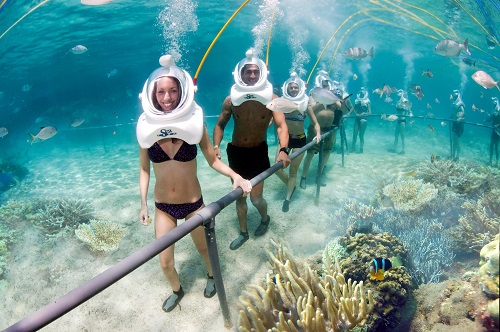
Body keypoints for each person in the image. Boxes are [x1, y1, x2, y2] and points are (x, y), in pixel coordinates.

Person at [136, 55, 252, 312]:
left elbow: (212, 160)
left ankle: (212, 276)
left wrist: (235, 176)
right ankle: (177, 290)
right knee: (165, 263)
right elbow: (145, 169)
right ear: (152, 95)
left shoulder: (195, 124)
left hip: (192, 205)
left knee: (204, 250)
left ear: (182, 91)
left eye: (173, 91)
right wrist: (143, 203)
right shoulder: (145, 128)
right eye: (161, 92)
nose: (167, 98)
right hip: (163, 207)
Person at [213, 49, 291, 250]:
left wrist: (284, 150)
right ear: (240, 74)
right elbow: (220, 124)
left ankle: (265, 219)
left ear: (262, 73)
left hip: (258, 152)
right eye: (248, 72)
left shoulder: (271, 98)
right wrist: (216, 146)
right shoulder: (231, 100)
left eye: (256, 72)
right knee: (240, 196)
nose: (252, 75)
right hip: (237, 152)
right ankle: (243, 232)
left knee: (256, 198)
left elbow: (281, 125)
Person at [274, 72, 321, 212]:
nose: (294, 89)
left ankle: (287, 198)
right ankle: (291, 184)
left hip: (300, 140)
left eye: (296, 87)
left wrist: (318, 133)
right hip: (285, 140)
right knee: (276, 168)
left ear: (299, 88)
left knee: (293, 171)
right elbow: (272, 119)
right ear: (287, 88)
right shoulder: (282, 103)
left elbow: (315, 123)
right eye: (291, 87)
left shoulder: (305, 104)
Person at [300, 72, 342, 189]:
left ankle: (320, 175)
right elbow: (311, 109)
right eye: (323, 85)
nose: (325, 87)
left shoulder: (332, 95)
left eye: (327, 85)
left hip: (329, 129)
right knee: (311, 152)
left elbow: (341, 108)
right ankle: (303, 177)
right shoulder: (313, 94)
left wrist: (338, 98)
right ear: (319, 85)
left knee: (327, 151)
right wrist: (323, 99)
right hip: (315, 129)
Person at [350, 87, 372, 153]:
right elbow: (353, 108)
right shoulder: (357, 101)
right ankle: (353, 148)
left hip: (364, 120)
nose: (361, 94)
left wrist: (364, 113)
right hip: (357, 119)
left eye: (362, 93)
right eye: (360, 93)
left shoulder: (367, 102)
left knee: (361, 135)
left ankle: (361, 149)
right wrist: (351, 114)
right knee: (354, 134)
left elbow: (370, 112)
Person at [391, 89, 412, 155]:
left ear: (402, 93)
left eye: (400, 92)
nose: (398, 93)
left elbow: (409, 109)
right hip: (398, 120)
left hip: (402, 121)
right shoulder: (398, 101)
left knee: (402, 136)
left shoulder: (404, 100)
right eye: (398, 92)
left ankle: (403, 150)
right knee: (396, 135)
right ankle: (394, 149)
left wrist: (411, 113)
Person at [450, 89, 465, 161]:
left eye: (456, 96)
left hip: (459, 125)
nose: (454, 97)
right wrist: (450, 117)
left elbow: (463, 114)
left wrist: (459, 119)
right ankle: (453, 155)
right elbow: (453, 113)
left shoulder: (461, 104)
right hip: (454, 123)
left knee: (457, 141)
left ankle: (457, 156)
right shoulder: (454, 104)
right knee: (454, 140)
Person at [486, 97, 500, 167]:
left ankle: (497, 162)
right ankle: (490, 160)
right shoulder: (494, 111)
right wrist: (486, 120)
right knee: (491, 145)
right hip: (493, 131)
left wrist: (498, 125)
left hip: (498, 132)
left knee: (496, 147)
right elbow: (491, 118)